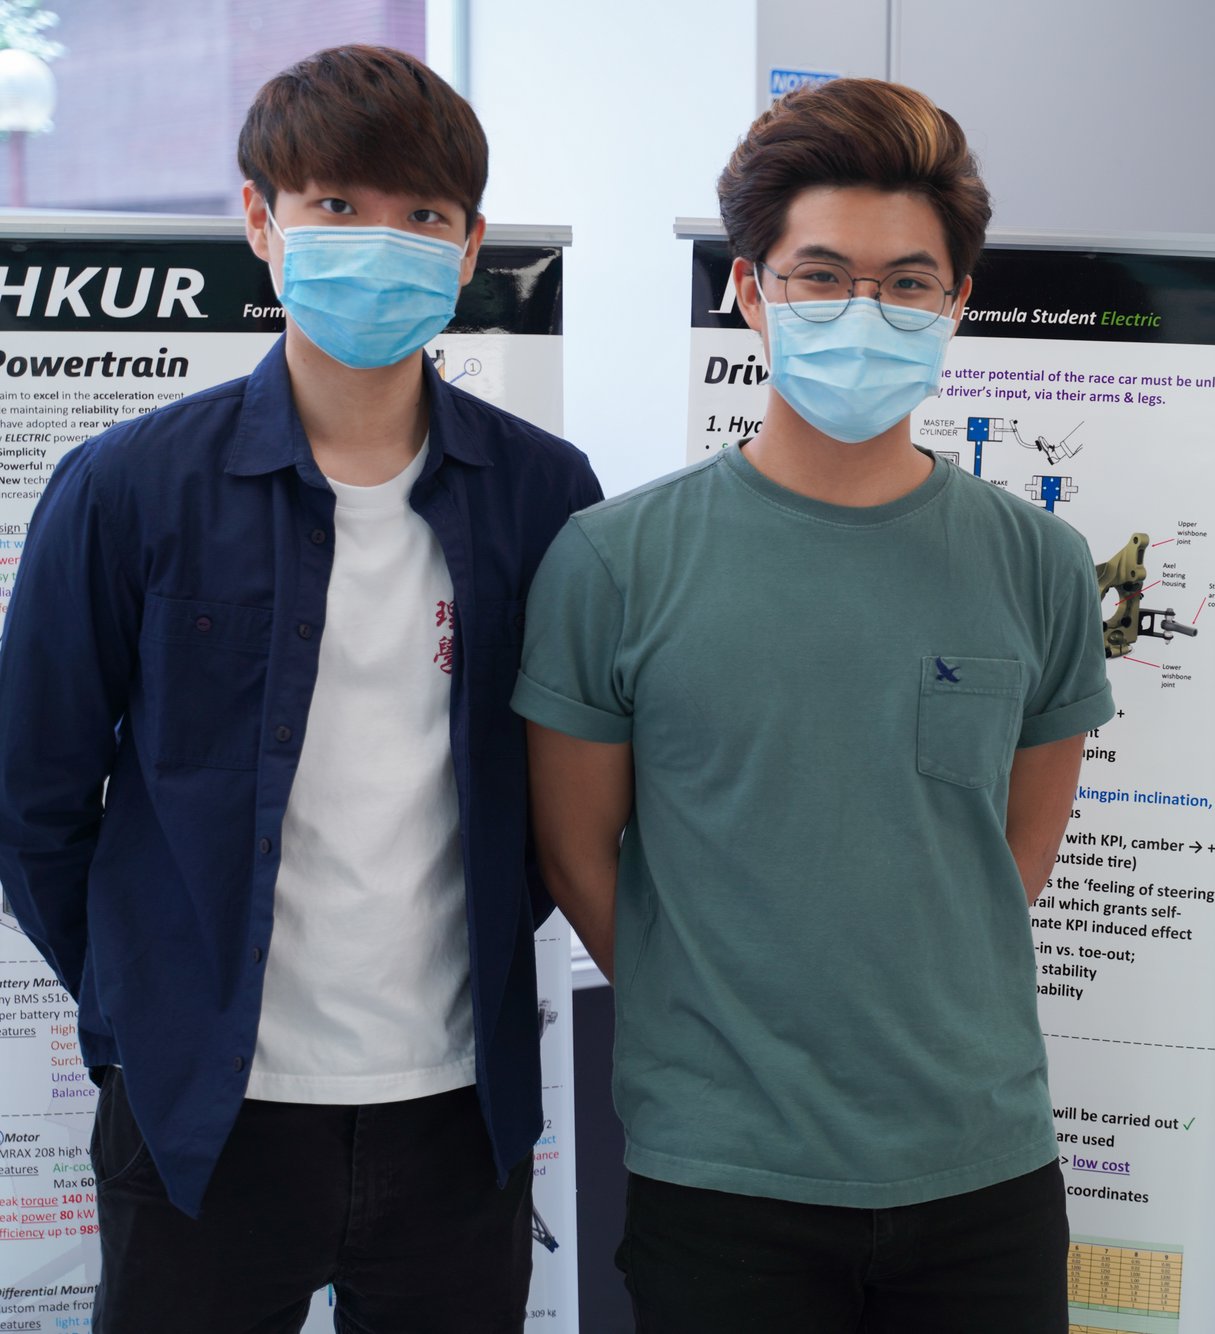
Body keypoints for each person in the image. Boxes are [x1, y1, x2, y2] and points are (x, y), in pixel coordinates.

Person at [0, 45, 601, 1333]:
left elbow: (570, 787)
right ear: (261, 222)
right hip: (202, 1115)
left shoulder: (547, 493)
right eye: (335, 204)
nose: (378, 243)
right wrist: (145, 996)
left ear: (470, 246)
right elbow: (32, 794)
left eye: (421, 214)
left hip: (458, 1108)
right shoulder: (128, 486)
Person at [515, 78, 1112, 1332]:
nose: (863, 309)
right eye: (821, 275)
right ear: (748, 289)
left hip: (980, 1167)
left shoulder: (1037, 563)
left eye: (905, 283)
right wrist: (718, 1017)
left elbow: (1015, 853)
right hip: (721, 1176)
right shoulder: (616, 560)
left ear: (954, 302)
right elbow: (575, 853)